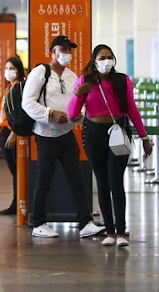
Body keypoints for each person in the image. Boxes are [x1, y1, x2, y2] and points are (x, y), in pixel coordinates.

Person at [68, 44, 153, 247]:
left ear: (114, 60)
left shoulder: (122, 81)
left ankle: (121, 231)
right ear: (94, 61)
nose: (106, 61)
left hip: (118, 133)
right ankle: (109, 230)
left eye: (109, 57)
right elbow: (72, 114)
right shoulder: (85, 81)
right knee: (102, 183)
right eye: (101, 58)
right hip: (94, 135)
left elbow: (132, 109)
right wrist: (79, 93)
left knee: (116, 181)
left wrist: (144, 137)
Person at [21, 35, 104, 239]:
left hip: (66, 134)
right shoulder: (40, 72)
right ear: (53, 52)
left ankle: (84, 222)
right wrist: (50, 113)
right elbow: (27, 103)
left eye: (69, 50)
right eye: (63, 49)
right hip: (46, 134)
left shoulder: (71, 76)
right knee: (44, 179)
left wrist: (78, 116)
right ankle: (38, 223)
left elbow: (80, 103)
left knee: (77, 178)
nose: (67, 53)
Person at [0, 57, 24, 216]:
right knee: (13, 171)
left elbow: (23, 114)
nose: (8, 72)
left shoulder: (21, 88)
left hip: (14, 134)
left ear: (19, 69)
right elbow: (4, 115)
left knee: (19, 170)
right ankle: (16, 202)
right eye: (6, 68)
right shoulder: (9, 88)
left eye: (11, 68)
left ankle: (20, 202)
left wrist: (15, 133)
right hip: (6, 132)